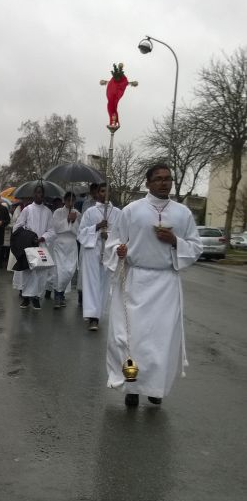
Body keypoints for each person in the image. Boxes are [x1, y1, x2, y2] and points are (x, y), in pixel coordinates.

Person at [104, 163, 202, 407]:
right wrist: (119, 250)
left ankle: (155, 388)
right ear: (147, 183)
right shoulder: (131, 210)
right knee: (131, 339)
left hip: (165, 283)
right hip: (135, 281)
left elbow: (196, 247)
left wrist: (175, 241)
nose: (164, 182)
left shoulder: (182, 214)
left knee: (161, 341)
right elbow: (113, 242)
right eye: (158, 178)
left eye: (168, 178)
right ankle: (132, 387)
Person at [78, 183, 121, 331]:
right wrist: (96, 227)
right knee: (92, 283)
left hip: (109, 252)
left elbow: (121, 234)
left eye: (108, 191)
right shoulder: (90, 212)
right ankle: (92, 317)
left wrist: (107, 236)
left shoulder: (117, 213)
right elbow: (81, 232)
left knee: (104, 283)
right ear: (98, 192)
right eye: (102, 191)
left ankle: (98, 313)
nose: (105, 194)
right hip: (92, 250)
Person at [12, 184, 55, 310]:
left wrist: (43, 237)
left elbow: (52, 231)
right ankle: (26, 297)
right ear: (33, 194)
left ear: (43, 195)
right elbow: (18, 226)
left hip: (41, 245)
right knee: (28, 271)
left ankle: (36, 297)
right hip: (29, 245)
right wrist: (28, 236)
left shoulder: (48, 212)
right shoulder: (27, 210)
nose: (38, 195)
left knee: (40, 272)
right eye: (36, 193)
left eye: (41, 193)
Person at [51, 191, 78, 308]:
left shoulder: (77, 213)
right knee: (59, 271)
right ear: (64, 200)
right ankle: (58, 295)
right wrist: (67, 220)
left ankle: (61, 293)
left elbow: (80, 230)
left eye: (72, 200)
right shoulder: (57, 212)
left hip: (71, 245)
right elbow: (54, 227)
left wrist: (73, 221)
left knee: (69, 271)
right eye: (68, 200)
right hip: (60, 244)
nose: (70, 203)